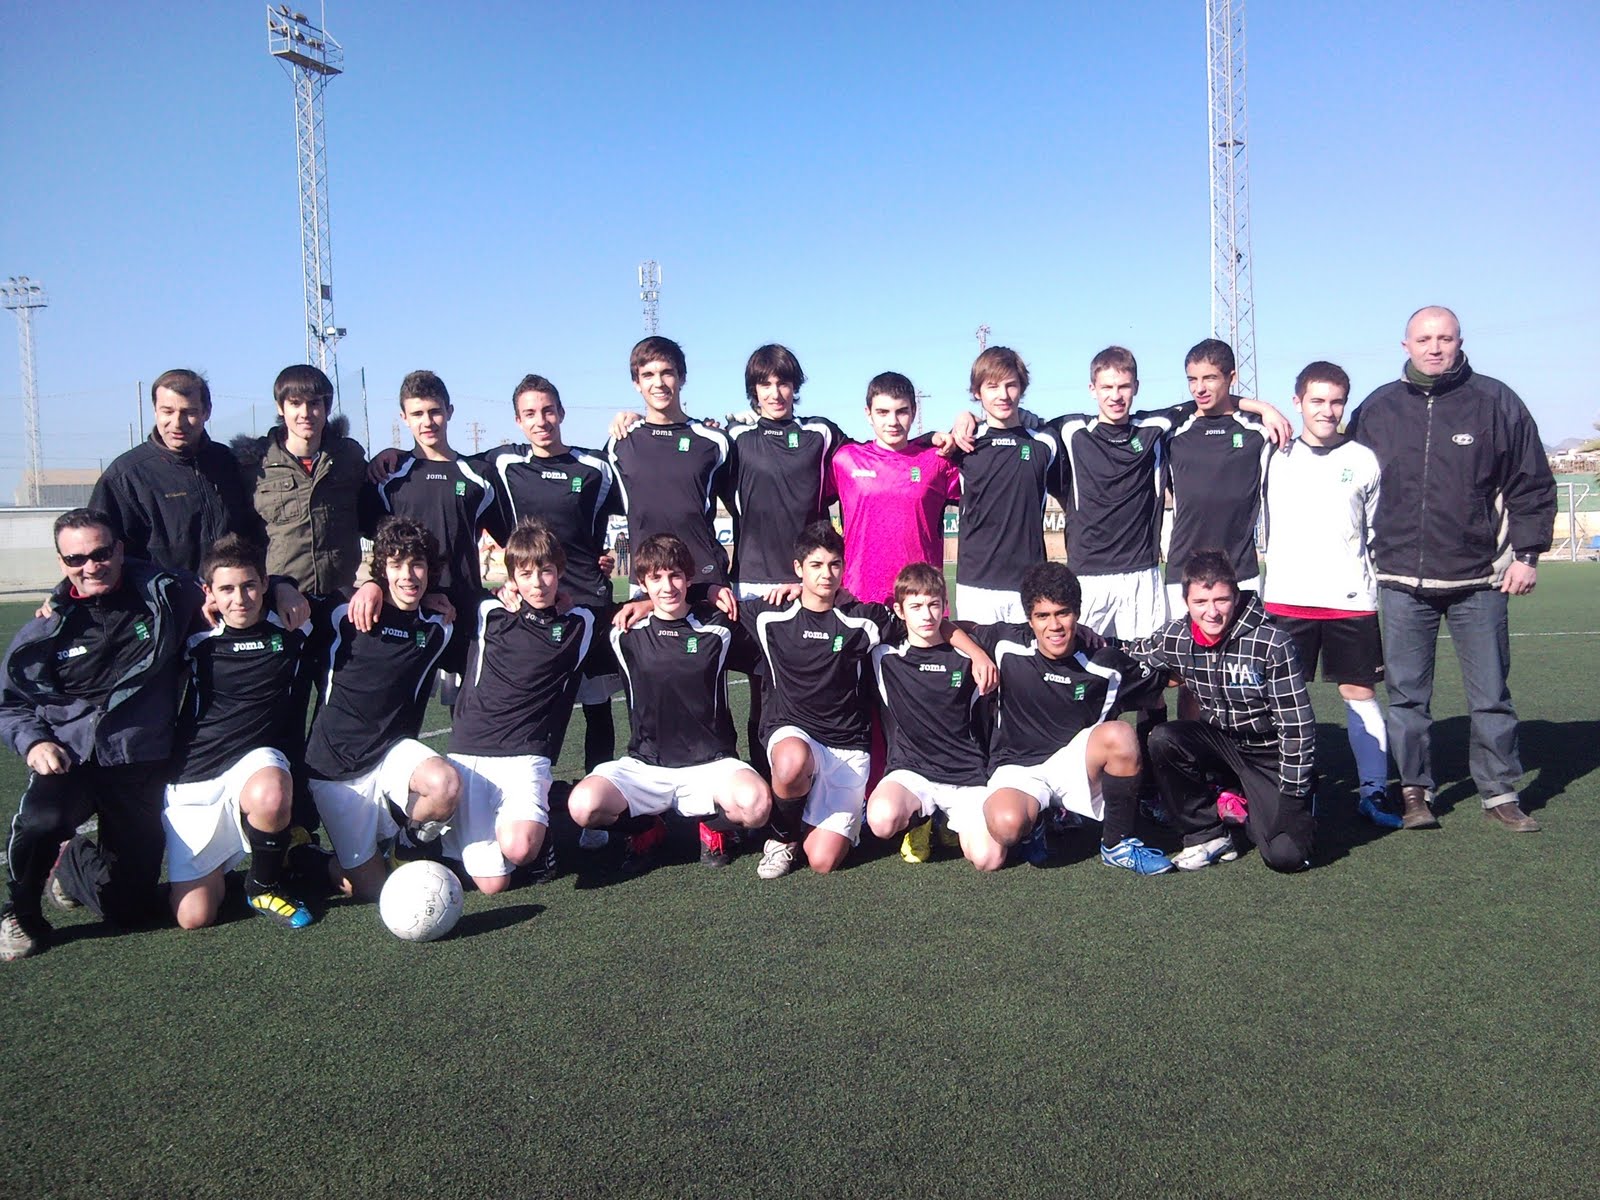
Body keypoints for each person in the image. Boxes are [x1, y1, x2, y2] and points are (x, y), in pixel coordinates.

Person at [0, 509, 304, 960]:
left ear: (119, 549)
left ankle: (73, 864)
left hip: (140, 763)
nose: (91, 566)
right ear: (61, 562)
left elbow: (233, 578)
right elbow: (10, 703)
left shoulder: (165, 594)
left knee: (131, 910)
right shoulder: (47, 626)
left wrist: (282, 585)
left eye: (101, 553)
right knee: (43, 821)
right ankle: (21, 912)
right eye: (76, 559)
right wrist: (34, 742)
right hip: (70, 757)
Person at [1348, 306, 1556, 831]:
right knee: (1407, 698)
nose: (1434, 347)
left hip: (1479, 578)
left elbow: (1531, 481)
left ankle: (1499, 791)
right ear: (1405, 345)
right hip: (1400, 580)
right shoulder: (1377, 408)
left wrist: (1527, 555)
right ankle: (1415, 791)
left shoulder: (1496, 402)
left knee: (1491, 696)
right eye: (1424, 339)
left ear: (1460, 342)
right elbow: (1348, 482)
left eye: (1444, 338)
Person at [566, 534, 771, 873]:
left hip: (713, 763)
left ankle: (715, 827)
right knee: (583, 806)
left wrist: (709, 589)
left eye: (675, 576)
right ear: (643, 583)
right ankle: (647, 827)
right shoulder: (624, 630)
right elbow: (567, 615)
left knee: (757, 806)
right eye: (656, 578)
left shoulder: (719, 625)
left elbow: (774, 619)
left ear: (688, 578)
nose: (667, 586)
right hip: (646, 766)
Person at [1262, 361, 1397, 829]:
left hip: (1349, 601)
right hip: (1286, 600)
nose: (1327, 410)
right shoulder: (1273, 454)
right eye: (1316, 400)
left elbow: (1375, 529)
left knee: (1360, 694)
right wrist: (1259, 407)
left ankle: (1374, 791)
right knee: (1282, 702)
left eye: (1336, 402)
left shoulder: (1363, 459)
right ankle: (1289, 791)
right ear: (1297, 402)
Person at [974, 562, 1174, 874]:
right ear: (1029, 618)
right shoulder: (1005, 642)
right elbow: (951, 629)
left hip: (1076, 767)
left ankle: (1117, 844)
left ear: (1077, 613)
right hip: (1017, 767)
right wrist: (976, 654)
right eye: (1043, 615)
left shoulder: (1104, 661)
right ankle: (1040, 820)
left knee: (1119, 735)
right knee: (1005, 828)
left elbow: (1167, 680)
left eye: (1063, 613)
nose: (1054, 625)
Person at [299, 517, 461, 902]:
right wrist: (366, 587)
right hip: (336, 766)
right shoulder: (343, 613)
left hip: (391, 752)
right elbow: (288, 600)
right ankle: (311, 861)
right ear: (382, 569)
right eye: (396, 564)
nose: (408, 575)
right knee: (372, 890)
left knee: (445, 785)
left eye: (417, 565)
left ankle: (406, 845)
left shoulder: (438, 626)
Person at [163, 535, 314, 931]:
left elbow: (350, 603)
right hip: (195, 773)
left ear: (264, 583)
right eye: (227, 589)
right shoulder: (191, 632)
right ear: (209, 592)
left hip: (255, 764)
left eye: (249, 585)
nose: (240, 599)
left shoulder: (293, 622)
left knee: (272, 792)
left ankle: (263, 884)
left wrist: (286, 586)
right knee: (194, 917)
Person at [1131, 551, 1316, 872]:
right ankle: (1208, 834)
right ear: (1186, 601)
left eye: (1221, 600)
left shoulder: (1272, 643)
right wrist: (1088, 641)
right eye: (1200, 602)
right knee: (1164, 738)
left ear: (1236, 596)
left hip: (1268, 753)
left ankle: (1282, 799)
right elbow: (1134, 652)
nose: (1212, 612)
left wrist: (1293, 799)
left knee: (1285, 856)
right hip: (1221, 743)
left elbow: (1297, 728)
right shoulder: (1177, 636)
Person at [443, 519, 596, 893]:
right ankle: (417, 838)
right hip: (470, 751)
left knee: (520, 848)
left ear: (560, 572)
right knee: (493, 884)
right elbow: (433, 591)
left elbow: (639, 609)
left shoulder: (581, 623)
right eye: (526, 574)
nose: (538, 583)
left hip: (526, 754)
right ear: (512, 577)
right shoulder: (487, 611)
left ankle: (543, 838)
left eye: (546, 571)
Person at [483, 375, 623, 782]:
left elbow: (644, 495)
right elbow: (446, 465)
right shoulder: (504, 464)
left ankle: (597, 800)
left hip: (589, 605)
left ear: (561, 412)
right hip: (535, 606)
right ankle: (529, 791)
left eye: (547, 411)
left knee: (598, 708)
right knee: (534, 706)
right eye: (529, 413)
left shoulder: (595, 467)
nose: (540, 420)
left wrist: (628, 422)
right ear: (517, 420)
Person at [740, 522, 891, 879]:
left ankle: (809, 811)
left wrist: (976, 652)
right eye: (816, 565)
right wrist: (647, 603)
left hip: (846, 745)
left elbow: (922, 625)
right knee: (792, 761)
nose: (827, 574)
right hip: (793, 733)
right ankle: (783, 836)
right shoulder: (770, 614)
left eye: (834, 564)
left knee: (823, 861)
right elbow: (699, 608)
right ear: (798, 568)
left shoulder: (862, 620)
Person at [864, 563, 1005, 872]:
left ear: (945, 606)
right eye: (916, 607)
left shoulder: (971, 655)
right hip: (911, 771)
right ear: (899, 611)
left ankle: (946, 821)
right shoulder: (883, 654)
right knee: (881, 819)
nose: (926, 615)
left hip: (966, 774)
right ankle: (921, 820)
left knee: (989, 859)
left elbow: (1020, 634)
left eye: (933, 605)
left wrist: (978, 653)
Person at [362, 370, 497, 684]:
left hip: (462, 609)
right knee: (399, 704)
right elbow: (376, 547)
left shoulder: (479, 476)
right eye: (417, 414)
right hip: (404, 609)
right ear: (404, 418)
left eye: (435, 411)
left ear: (449, 411)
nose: (427, 421)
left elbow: (512, 536)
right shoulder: (387, 477)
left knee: (465, 708)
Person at [90, 368, 264, 575]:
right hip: (165, 595)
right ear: (155, 410)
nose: (177, 423)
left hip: (232, 593)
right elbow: (97, 549)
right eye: (168, 411)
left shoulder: (229, 463)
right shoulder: (125, 477)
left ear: (207, 411)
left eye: (189, 412)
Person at [604, 337, 732, 590]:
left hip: (706, 580)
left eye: (667, 373)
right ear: (636, 383)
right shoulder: (620, 443)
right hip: (646, 583)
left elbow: (745, 508)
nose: (659, 383)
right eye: (648, 375)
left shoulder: (714, 441)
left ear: (682, 377)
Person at [948, 347, 1064, 623]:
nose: (1003, 395)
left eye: (1011, 385)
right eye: (992, 386)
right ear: (977, 392)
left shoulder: (1045, 441)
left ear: (1022, 388)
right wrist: (963, 417)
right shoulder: (963, 442)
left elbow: (1073, 497)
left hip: (1030, 584)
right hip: (976, 586)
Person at [1163, 339, 1279, 613]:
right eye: (1192, 379)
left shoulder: (1259, 432)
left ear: (1231, 377)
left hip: (1240, 573)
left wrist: (1264, 410)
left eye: (1210, 378)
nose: (1199, 388)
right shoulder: (1172, 431)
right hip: (1182, 574)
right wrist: (1262, 405)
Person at [830, 372, 961, 606]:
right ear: (868, 414)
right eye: (882, 412)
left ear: (914, 412)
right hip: (859, 596)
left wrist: (968, 420)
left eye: (901, 411)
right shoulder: (845, 460)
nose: (892, 421)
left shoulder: (939, 460)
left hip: (921, 597)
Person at [241, 364, 369, 596]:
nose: (305, 413)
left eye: (314, 403)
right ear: (280, 407)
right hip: (280, 598)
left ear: (327, 407)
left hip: (340, 598)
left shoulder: (349, 458)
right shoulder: (255, 466)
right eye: (295, 403)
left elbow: (374, 516)